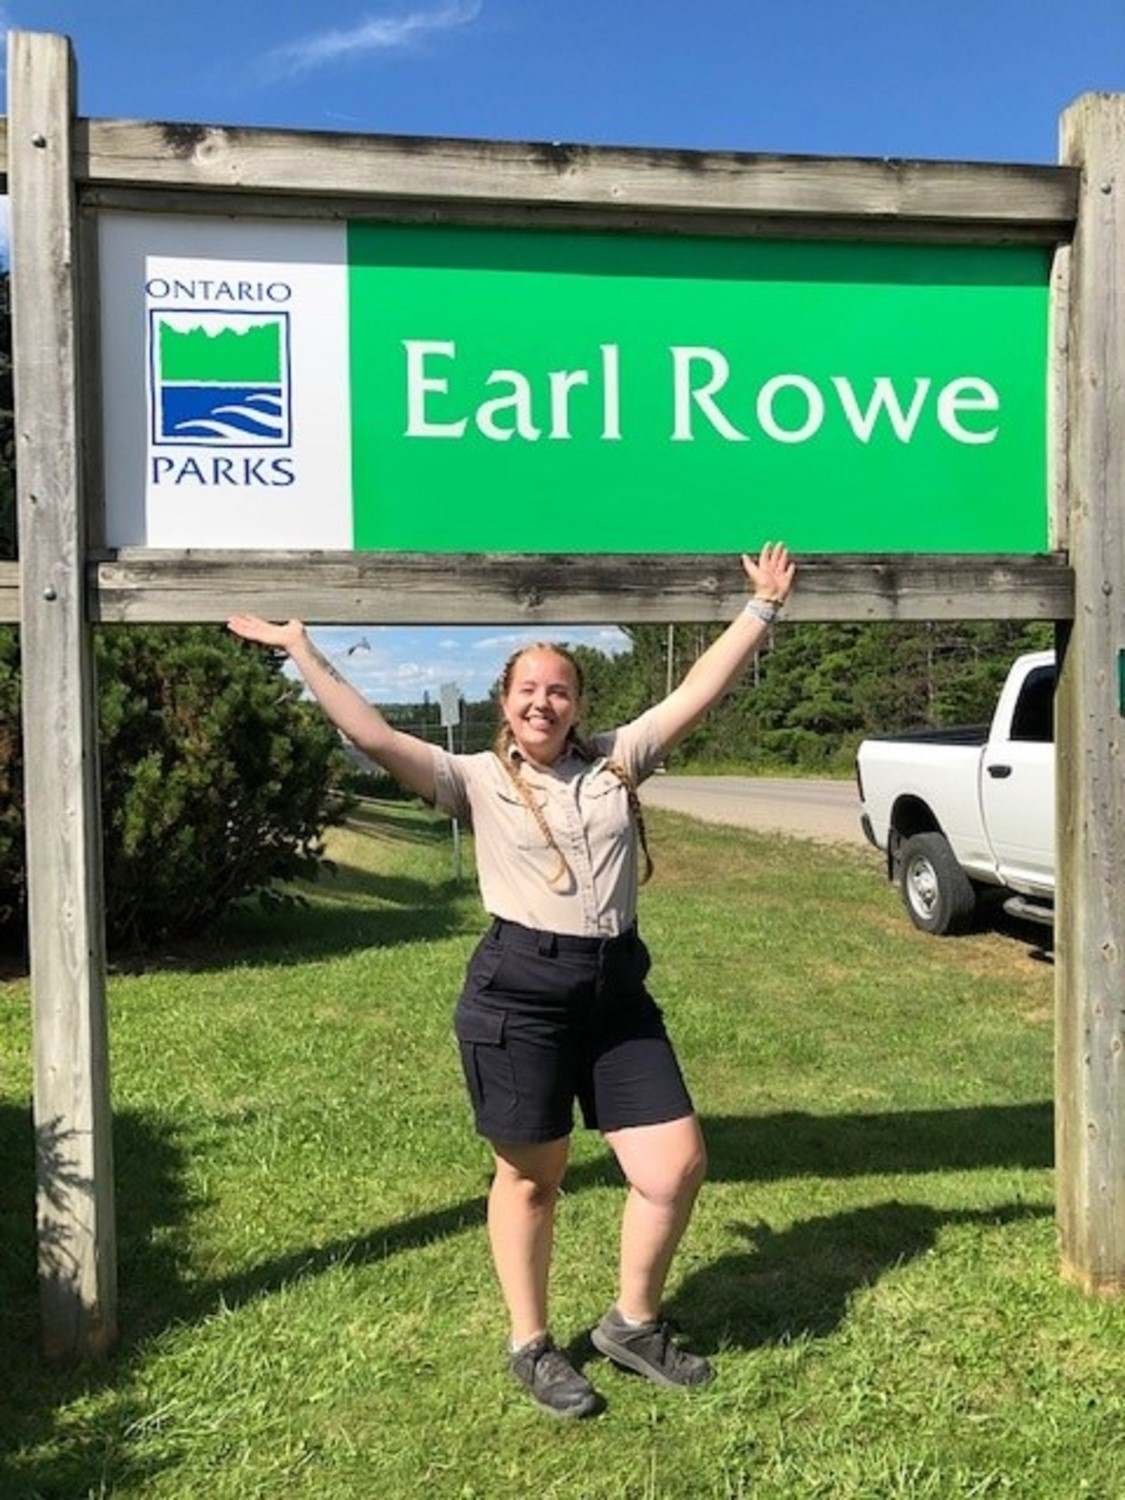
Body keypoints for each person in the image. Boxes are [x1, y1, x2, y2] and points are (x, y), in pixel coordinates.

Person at [227, 542, 795, 1419]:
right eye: (527, 688)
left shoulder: (616, 761)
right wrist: (304, 649)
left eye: (559, 689)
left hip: (616, 997)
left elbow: (696, 693)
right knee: (534, 1175)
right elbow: (370, 734)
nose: (543, 700)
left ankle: (629, 1326)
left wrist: (760, 608)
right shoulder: (474, 780)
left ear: (577, 704)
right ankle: (531, 1344)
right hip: (518, 993)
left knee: (674, 1164)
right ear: (505, 702)